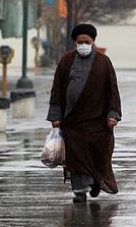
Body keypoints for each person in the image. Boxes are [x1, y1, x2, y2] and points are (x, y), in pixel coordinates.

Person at [47, 23, 122, 204]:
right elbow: (57, 90)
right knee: (76, 154)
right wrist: (56, 116)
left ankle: (95, 180)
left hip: (97, 121)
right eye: (79, 42)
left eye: (86, 41)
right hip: (72, 121)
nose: (83, 45)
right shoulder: (66, 61)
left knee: (97, 152)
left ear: (93, 42)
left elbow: (112, 91)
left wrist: (113, 114)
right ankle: (80, 190)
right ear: (75, 42)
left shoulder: (104, 63)